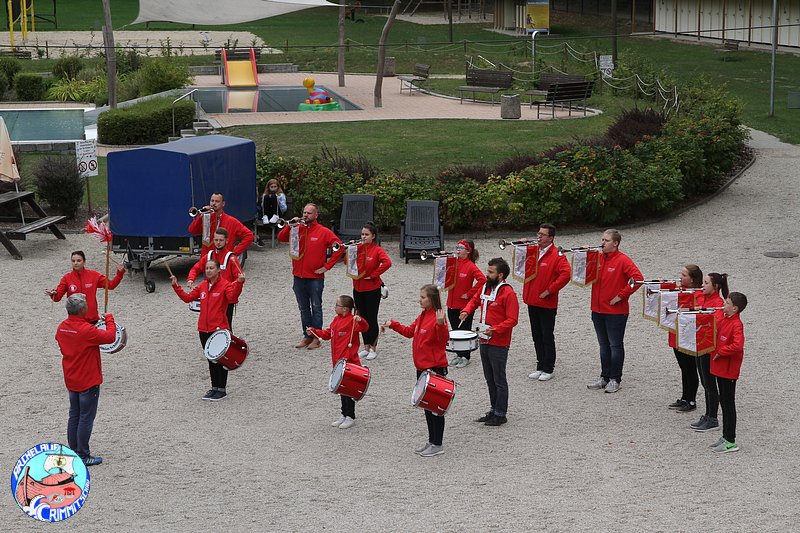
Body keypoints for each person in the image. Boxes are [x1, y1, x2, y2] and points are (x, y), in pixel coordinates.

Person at [383, 284, 450, 457]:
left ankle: (438, 444)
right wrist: (393, 324)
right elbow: (409, 332)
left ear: (431, 299)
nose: (419, 300)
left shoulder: (438, 317)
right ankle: (432, 440)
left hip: (434, 368)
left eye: (423, 297)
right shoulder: (423, 315)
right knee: (427, 406)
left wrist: (441, 325)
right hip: (422, 369)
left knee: (436, 408)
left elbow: (443, 341)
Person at [55, 294, 117, 466]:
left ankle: (74, 450)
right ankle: (83, 455)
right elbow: (110, 337)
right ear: (82, 310)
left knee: (74, 415)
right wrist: (109, 319)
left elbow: (60, 342)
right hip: (88, 379)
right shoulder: (86, 330)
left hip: (71, 378)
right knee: (86, 418)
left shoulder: (62, 327)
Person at [170, 259, 245, 401]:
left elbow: (232, 297)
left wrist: (239, 283)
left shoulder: (225, 285)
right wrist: (176, 286)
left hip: (218, 328)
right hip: (203, 329)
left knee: (221, 359)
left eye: (211, 268)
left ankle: (221, 389)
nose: (208, 270)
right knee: (211, 359)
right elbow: (187, 298)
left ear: (218, 270)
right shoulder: (203, 286)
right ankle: (214, 387)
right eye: (207, 268)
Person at [460, 257, 519, 426]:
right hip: (485, 339)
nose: (487, 274)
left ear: (500, 275)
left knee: (499, 379)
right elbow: (475, 300)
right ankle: (494, 409)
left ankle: (501, 413)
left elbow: (512, 319)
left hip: (499, 342)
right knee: (489, 378)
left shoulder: (508, 293)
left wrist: (496, 329)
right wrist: (466, 311)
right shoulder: (486, 287)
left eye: (491, 272)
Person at [277, 203, 343, 350]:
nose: (306, 215)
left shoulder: (323, 231)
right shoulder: (297, 229)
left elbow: (339, 247)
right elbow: (281, 238)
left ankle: (317, 337)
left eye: (309, 213)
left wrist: (326, 266)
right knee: (303, 308)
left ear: (316, 215)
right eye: (304, 212)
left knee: (316, 307)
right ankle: (307, 336)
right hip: (298, 276)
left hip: (315, 278)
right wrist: (290, 225)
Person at [586, 229, 643, 394]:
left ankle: (615, 379)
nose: (602, 243)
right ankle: (604, 376)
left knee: (615, 345)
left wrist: (621, 296)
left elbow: (638, 279)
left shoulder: (623, 260)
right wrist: (586, 255)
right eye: (602, 239)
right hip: (597, 309)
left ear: (615, 243)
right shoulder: (598, 258)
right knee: (603, 345)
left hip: (615, 312)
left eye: (606, 240)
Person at [307, 295, 368, 430]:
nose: (335, 307)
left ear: (345, 309)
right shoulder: (336, 320)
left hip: (349, 362)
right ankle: (344, 413)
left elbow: (365, 328)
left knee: (349, 390)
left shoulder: (352, 321)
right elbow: (328, 334)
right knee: (342, 389)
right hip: (337, 361)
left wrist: (361, 320)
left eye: (337, 305)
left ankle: (350, 416)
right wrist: (315, 332)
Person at [522, 224, 571, 382]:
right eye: (538, 233)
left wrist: (549, 290)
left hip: (546, 302)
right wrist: (521, 246)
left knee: (546, 335)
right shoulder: (534, 251)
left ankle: (549, 368)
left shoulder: (557, 254)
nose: (539, 236)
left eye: (542, 235)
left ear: (551, 238)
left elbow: (566, 274)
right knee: (536, 335)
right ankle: (540, 365)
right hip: (532, 300)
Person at [709, 292, 747, 454]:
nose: (724, 304)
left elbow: (738, 345)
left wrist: (721, 352)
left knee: (728, 403)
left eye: (727, 303)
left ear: (735, 308)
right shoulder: (726, 319)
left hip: (728, 369)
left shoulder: (737, 324)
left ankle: (730, 440)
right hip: (721, 367)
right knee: (724, 402)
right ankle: (725, 436)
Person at [690, 272, 729, 432]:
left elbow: (716, 323)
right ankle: (708, 415)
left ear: (716, 286)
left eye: (706, 283)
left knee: (710, 384)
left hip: (709, 348)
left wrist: (702, 314)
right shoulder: (705, 298)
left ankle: (713, 417)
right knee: (705, 382)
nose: (702, 285)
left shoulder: (718, 303)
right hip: (701, 344)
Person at [349, 223, 391, 361]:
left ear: (373, 236)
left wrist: (374, 275)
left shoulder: (377, 250)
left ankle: (373, 347)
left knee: (372, 318)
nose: (363, 237)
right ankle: (366, 346)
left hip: (372, 289)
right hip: (358, 288)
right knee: (361, 318)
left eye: (366, 234)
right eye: (362, 234)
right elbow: (348, 264)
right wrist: (350, 250)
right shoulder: (357, 248)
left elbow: (387, 263)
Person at [46, 250, 125, 324]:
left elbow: (111, 285)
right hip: (74, 321)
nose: (75, 263)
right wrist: (53, 294)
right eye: (73, 261)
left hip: (92, 319)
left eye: (78, 261)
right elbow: (57, 298)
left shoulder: (94, 275)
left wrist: (120, 273)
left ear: (84, 262)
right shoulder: (67, 278)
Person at [186, 227, 243, 329]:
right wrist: (191, 279)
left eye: (221, 240)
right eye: (216, 240)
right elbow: (196, 268)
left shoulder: (231, 258)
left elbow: (239, 279)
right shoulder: (209, 256)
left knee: (226, 328)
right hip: (211, 297)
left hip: (226, 300)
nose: (218, 243)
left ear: (227, 241)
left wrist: (228, 288)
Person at [667, 264, 703, 412]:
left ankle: (691, 399)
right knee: (684, 368)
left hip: (689, 337)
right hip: (678, 335)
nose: (680, 277)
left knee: (690, 369)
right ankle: (684, 397)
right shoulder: (681, 290)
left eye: (684, 275)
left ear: (692, 279)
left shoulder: (698, 294)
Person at [446, 240, 485, 369]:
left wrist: (469, 294)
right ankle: (459, 354)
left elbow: (482, 280)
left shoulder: (471, 266)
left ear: (468, 251)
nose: (457, 249)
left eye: (461, 248)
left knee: (464, 330)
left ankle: (465, 356)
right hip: (451, 303)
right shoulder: (453, 263)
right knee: (455, 330)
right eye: (457, 247)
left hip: (464, 305)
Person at [188, 192, 254, 257]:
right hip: (207, 260)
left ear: (223, 204)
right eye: (212, 201)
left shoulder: (232, 221)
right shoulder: (206, 218)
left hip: (223, 260)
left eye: (217, 201)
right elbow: (192, 230)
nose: (214, 203)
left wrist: (234, 253)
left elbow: (249, 236)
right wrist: (200, 216)